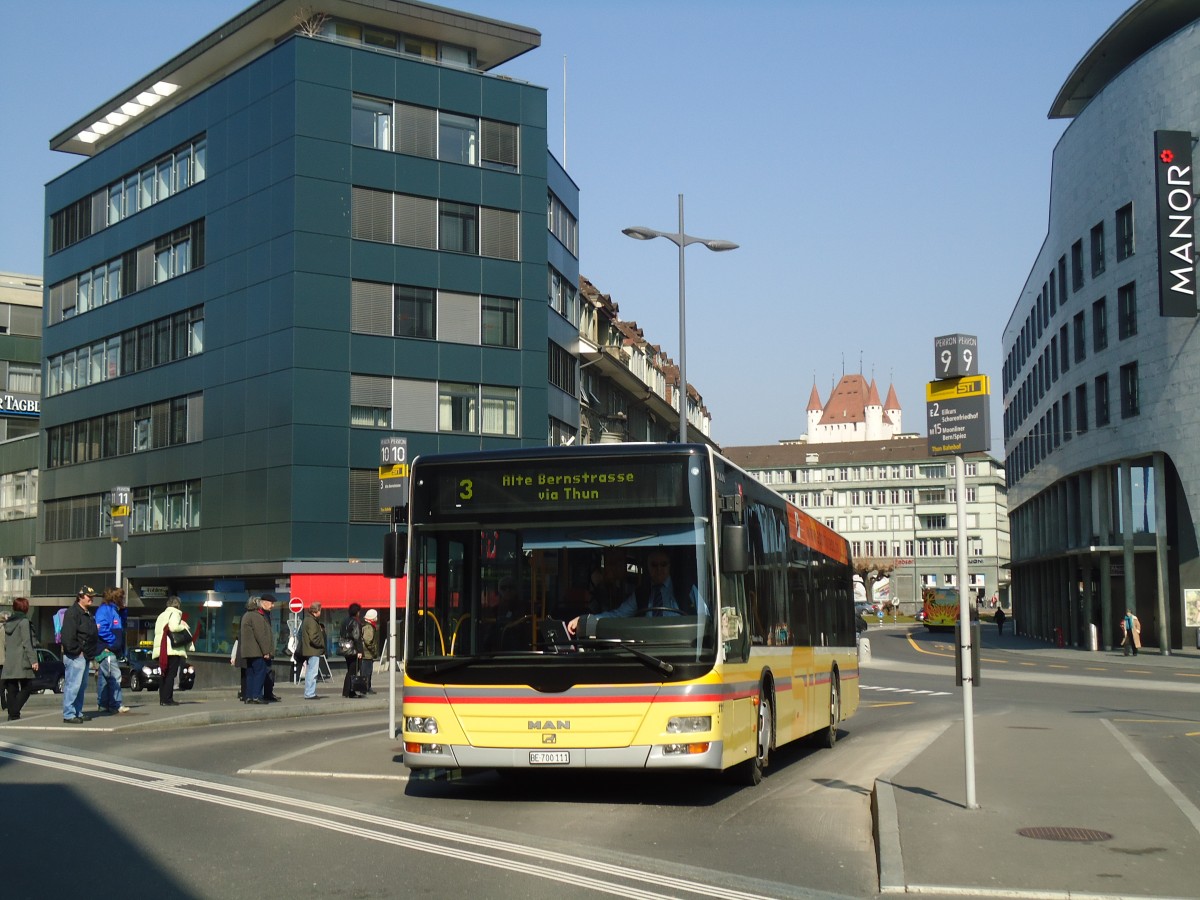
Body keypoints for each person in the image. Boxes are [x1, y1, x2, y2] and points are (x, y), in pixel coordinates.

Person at [567, 549, 706, 636]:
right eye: (654, 565)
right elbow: (618, 616)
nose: (659, 569)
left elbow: (706, 618)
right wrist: (585, 619)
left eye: (663, 564)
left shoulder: (687, 588)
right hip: (647, 651)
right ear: (647, 566)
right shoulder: (641, 593)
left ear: (670, 566)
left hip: (681, 649)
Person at [61, 586, 99, 723]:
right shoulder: (73, 613)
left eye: (92, 596)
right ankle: (69, 714)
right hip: (76, 656)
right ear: (80, 596)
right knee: (73, 685)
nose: (92, 599)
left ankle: (77, 711)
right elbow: (67, 636)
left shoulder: (86, 613)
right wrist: (78, 651)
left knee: (81, 686)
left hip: (84, 655)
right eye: (89, 596)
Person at [94, 587, 130, 714]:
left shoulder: (114, 610)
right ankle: (116, 704)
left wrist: (124, 611)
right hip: (107, 649)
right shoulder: (105, 610)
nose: (123, 599)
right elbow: (101, 628)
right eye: (121, 597)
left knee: (104, 678)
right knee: (115, 676)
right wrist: (112, 641)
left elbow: (122, 624)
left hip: (109, 648)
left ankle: (103, 704)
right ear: (116, 598)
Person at [2, 598, 39, 722]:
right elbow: (27, 643)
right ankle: (14, 711)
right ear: (25, 608)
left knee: (12, 688)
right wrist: (33, 660)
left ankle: (12, 715)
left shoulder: (7, 623)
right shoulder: (24, 622)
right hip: (22, 659)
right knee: (27, 686)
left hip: (10, 660)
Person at [154, 596, 193, 706]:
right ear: (178, 605)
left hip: (160, 649)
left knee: (163, 674)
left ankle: (162, 698)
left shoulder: (161, 615)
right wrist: (184, 626)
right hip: (171, 649)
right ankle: (168, 699)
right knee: (171, 674)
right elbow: (174, 627)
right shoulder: (175, 613)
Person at [240, 594, 275, 704]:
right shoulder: (256, 616)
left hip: (248, 651)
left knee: (250, 673)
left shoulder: (247, 615)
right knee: (260, 673)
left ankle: (249, 696)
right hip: (257, 651)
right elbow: (260, 635)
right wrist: (266, 651)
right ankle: (256, 696)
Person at [300, 600, 327, 700]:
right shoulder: (311, 621)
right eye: (320, 610)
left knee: (310, 672)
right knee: (312, 672)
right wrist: (321, 645)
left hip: (310, 649)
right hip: (313, 650)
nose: (320, 612)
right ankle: (310, 693)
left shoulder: (308, 619)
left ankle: (309, 692)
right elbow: (313, 637)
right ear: (316, 611)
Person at [340, 603, 364, 698]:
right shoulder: (355, 622)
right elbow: (357, 637)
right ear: (357, 612)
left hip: (346, 649)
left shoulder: (345, 621)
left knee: (350, 669)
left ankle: (348, 691)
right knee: (353, 670)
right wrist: (360, 651)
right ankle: (349, 691)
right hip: (354, 650)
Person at [361, 609, 380, 694]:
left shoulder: (369, 626)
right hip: (367, 654)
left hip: (367, 654)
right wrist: (373, 650)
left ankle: (367, 687)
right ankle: (365, 688)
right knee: (366, 672)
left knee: (367, 672)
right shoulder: (369, 627)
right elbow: (368, 641)